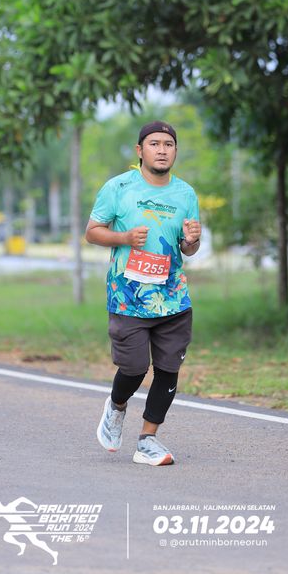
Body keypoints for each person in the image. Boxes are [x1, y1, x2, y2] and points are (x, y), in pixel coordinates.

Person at [85, 120, 201, 466]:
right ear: (140, 151)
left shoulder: (186, 194)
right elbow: (92, 232)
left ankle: (148, 439)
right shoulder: (118, 187)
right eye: (154, 144)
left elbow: (188, 248)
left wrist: (192, 241)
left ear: (175, 151)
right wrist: (123, 238)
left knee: (168, 369)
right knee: (134, 367)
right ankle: (116, 406)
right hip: (128, 296)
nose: (162, 150)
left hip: (172, 297)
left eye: (168, 144)